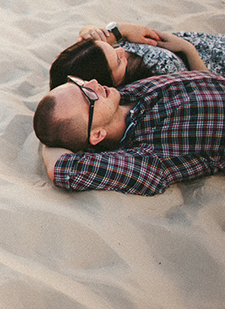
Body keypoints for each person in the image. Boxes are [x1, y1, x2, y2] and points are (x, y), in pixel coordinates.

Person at [34, 71, 225, 195]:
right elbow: (62, 168)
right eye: (88, 96)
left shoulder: (124, 94)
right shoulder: (148, 151)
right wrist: (50, 141)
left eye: (79, 84)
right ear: (97, 135)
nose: (93, 82)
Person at [48, 22, 224, 89]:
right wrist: (187, 49)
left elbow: (91, 35)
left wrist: (117, 30)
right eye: (118, 61)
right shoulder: (144, 88)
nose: (121, 50)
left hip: (210, 43)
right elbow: (214, 91)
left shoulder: (86, 63)